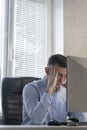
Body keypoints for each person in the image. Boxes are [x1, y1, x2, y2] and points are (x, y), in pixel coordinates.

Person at [22, 54, 87, 125]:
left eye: (66, 76)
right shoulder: (30, 89)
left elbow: (82, 121)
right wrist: (50, 89)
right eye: (59, 74)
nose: (62, 80)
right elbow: (37, 121)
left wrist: (76, 91)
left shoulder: (65, 92)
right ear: (47, 71)